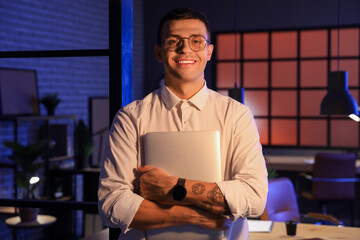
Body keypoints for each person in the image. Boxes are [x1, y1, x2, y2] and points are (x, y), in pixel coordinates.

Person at [98, 7, 268, 240]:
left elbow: (254, 197)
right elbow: (112, 203)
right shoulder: (131, 117)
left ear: (209, 51)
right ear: (159, 52)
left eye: (196, 41)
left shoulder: (236, 115)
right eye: (173, 41)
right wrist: (196, 216)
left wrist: (173, 186)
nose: (185, 48)